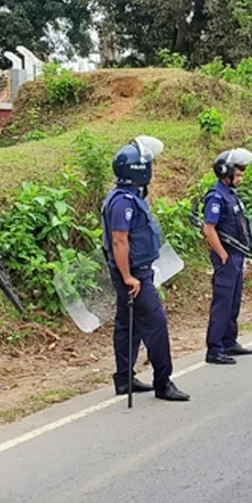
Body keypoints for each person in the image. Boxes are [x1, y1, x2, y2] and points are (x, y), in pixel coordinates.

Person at [101, 135, 190, 402]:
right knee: (156, 324)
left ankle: (123, 378)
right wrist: (128, 276)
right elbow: (119, 240)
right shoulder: (123, 202)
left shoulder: (128, 196)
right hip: (134, 274)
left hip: (136, 271)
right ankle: (163, 382)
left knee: (128, 325)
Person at [202, 148, 252, 365]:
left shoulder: (231, 195)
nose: (241, 178)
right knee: (223, 302)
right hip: (227, 257)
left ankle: (229, 341)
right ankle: (215, 348)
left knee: (233, 301)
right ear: (225, 172)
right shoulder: (216, 197)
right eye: (239, 174)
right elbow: (209, 229)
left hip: (237, 255)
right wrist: (223, 255)